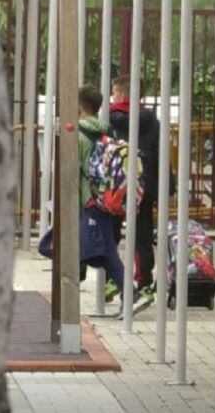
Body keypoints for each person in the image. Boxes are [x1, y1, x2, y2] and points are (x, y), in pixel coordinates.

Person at [109, 75, 161, 304]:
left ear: (122, 95)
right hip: (145, 184)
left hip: (116, 184)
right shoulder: (151, 120)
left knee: (110, 232)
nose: (112, 97)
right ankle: (144, 281)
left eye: (114, 92)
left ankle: (112, 278)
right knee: (142, 235)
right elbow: (160, 154)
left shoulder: (110, 119)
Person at [75, 86, 125, 307]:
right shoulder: (107, 130)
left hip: (87, 200)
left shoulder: (79, 134)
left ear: (79, 106)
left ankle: (130, 293)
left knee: (107, 254)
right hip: (106, 196)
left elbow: (74, 171)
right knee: (102, 250)